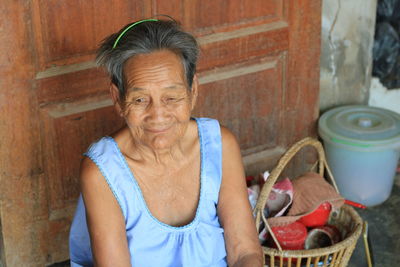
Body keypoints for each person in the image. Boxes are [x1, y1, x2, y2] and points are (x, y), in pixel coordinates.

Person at [69, 18, 263, 267]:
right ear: (118, 99)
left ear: (192, 91)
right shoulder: (102, 173)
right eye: (140, 100)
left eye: (171, 97)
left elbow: (244, 252)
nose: (158, 116)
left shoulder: (220, 146)